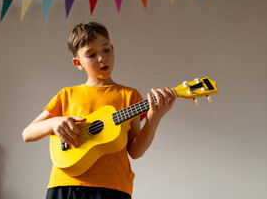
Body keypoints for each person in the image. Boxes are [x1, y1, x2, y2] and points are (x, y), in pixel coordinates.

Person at [22, 22, 176, 199]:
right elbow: (27, 134)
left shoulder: (129, 96)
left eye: (105, 50)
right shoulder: (67, 94)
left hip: (113, 187)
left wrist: (153, 120)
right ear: (78, 63)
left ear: (112, 48)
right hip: (66, 185)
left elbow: (135, 152)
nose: (102, 58)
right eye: (91, 55)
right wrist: (55, 122)